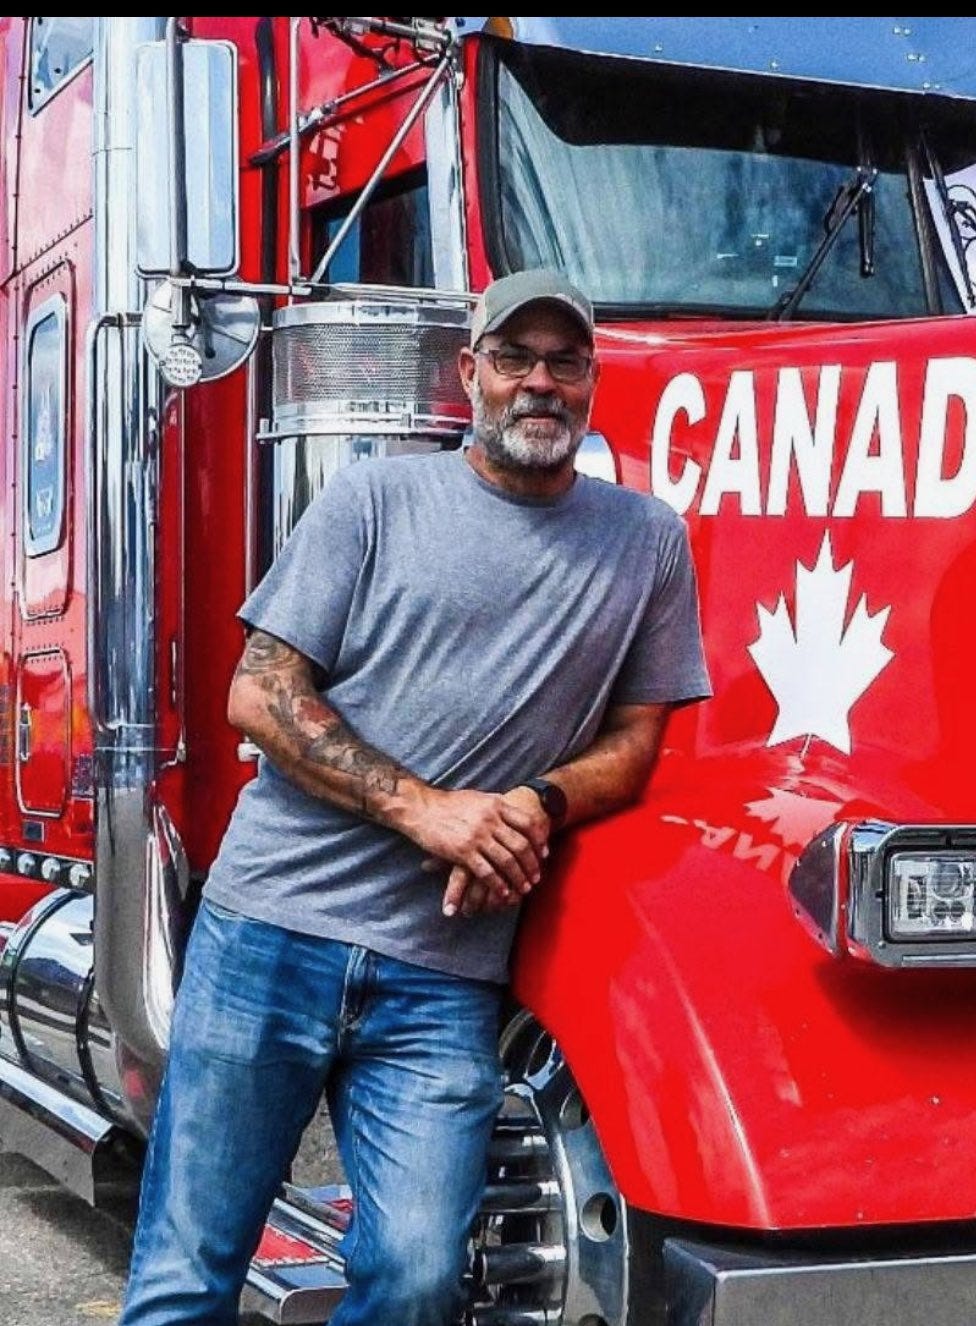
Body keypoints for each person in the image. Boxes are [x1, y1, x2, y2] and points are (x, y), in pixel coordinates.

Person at [118, 268, 712, 1326]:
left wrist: (536, 802)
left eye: (565, 362)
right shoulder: (374, 501)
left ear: (592, 379)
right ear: (469, 372)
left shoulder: (646, 541)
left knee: (419, 1275)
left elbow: (635, 741)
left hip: (441, 975)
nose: (540, 382)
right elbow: (258, 693)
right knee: (188, 1270)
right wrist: (428, 810)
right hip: (272, 934)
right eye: (515, 358)